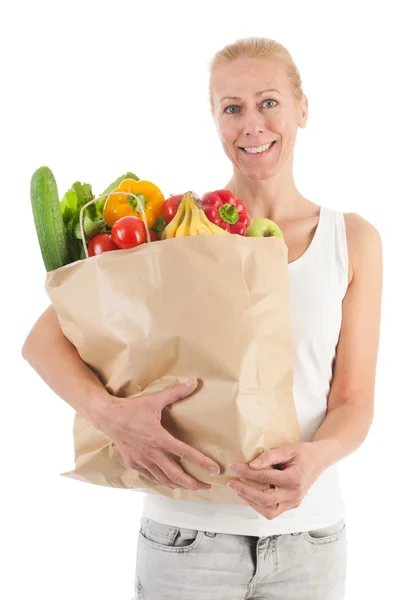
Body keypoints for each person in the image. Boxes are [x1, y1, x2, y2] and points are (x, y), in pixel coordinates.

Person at [22, 37, 382, 600]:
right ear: (214, 120)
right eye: (231, 108)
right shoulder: (177, 226)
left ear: (302, 109)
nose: (252, 125)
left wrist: (316, 458)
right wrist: (110, 416)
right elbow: (43, 338)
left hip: (309, 541)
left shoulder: (351, 240)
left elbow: (355, 402)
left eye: (268, 102)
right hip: (187, 538)